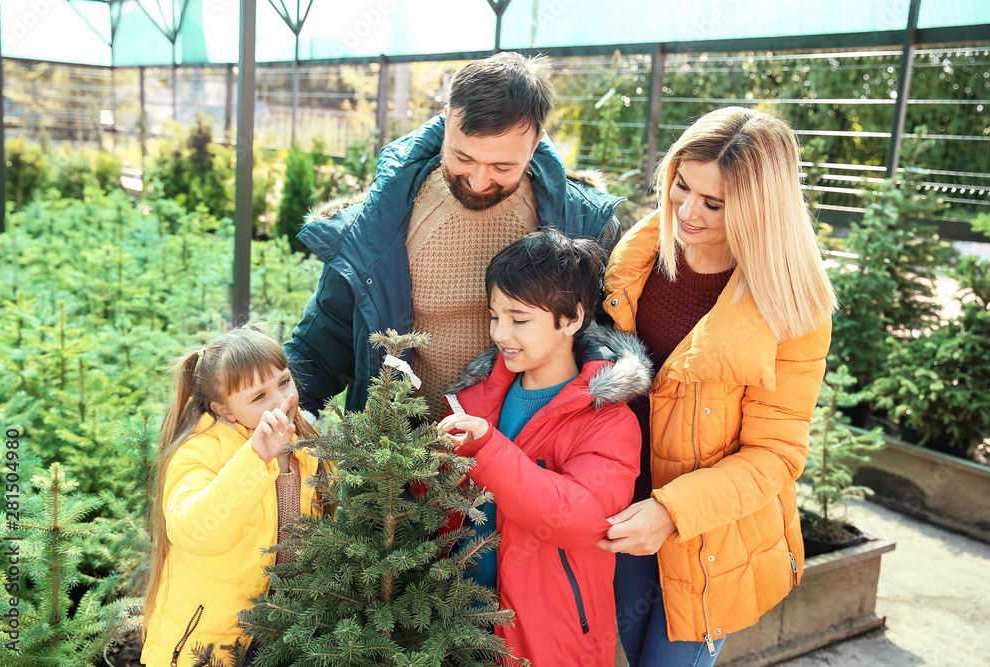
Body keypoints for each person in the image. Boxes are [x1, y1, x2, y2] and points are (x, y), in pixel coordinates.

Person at [594, 107, 838, 666]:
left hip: (710, 538)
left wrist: (672, 511)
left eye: (714, 203)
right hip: (625, 507)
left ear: (760, 209)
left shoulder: (793, 306)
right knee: (631, 650)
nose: (686, 211)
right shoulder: (638, 257)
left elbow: (775, 455)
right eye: (681, 187)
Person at [286, 52, 624, 417]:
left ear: (537, 140)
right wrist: (269, 406)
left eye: (502, 166)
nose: (479, 182)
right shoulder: (380, 218)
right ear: (447, 120)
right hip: (395, 456)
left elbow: (604, 349)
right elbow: (323, 343)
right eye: (463, 158)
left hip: (525, 455)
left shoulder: (588, 226)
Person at [435, 229, 652, 666]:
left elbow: (581, 517)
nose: (500, 332)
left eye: (519, 319)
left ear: (571, 318)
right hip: (455, 624)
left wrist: (489, 449)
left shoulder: (608, 419)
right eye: (494, 316)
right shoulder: (479, 397)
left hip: (549, 634)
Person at [141, 324, 332, 666]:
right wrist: (256, 458)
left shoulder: (308, 442)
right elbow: (193, 531)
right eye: (258, 396)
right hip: (216, 642)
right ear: (224, 410)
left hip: (292, 635)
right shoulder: (198, 452)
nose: (279, 400)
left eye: (283, 382)